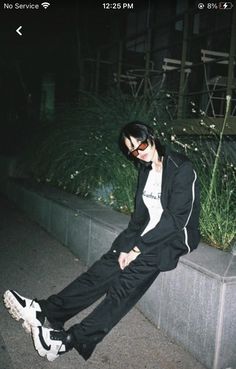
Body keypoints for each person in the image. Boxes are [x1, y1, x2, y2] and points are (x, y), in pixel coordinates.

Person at [3, 121, 200, 362]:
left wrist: (138, 249)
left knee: (124, 286)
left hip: (171, 239)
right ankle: (45, 310)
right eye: (133, 150)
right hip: (144, 235)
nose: (140, 151)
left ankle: (68, 341)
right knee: (102, 269)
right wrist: (125, 246)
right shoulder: (145, 170)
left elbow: (175, 220)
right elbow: (139, 218)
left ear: (152, 137)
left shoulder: (182, 168)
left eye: (142, 144)